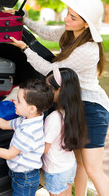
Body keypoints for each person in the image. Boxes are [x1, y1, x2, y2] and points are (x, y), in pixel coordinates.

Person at [10, 0, 109, 196]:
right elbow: (46, 32)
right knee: (79, 163)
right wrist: (23, 20)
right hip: (75, 105)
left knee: (93, 168)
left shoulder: (89, 49)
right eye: (68, 13)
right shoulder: (70, 34)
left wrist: (25, 49)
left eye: (73, 17)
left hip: (93, 108)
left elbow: (52, 71)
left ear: (86, 24)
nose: (67, 19)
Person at [0, 79, 54, 196]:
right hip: (20, 174)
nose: (14, 102)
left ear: (32, 108)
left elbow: (9, 154)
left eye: (19, 101)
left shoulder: (29, 131)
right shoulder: (27, 119)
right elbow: (4, 124)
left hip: (25, 178)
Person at [43, 66, 87, 196]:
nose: (45, 92)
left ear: (60, 90)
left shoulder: (53, 118)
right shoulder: (73, 112)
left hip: (55, 170)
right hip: (68, 165)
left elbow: (45, 148)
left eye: (49, 88)